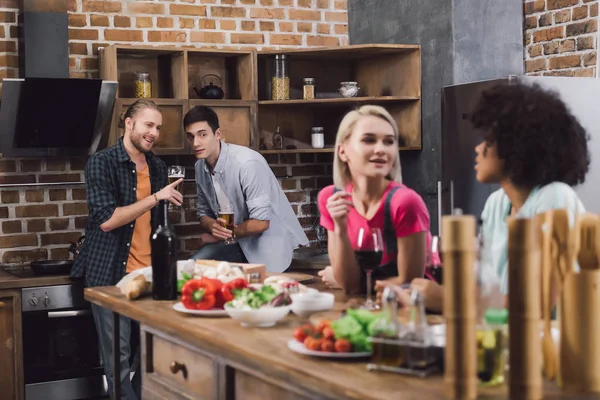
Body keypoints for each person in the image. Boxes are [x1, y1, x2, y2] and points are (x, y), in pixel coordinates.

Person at [378, 82, 589, 313]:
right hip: (504, 340)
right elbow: (491, 293)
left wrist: (448, 300)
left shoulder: (556, 199)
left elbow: (536, 304)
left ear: (515, 146)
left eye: (487, 140)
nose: (478, 149)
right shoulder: (497, 204)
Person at [70, 99, 183, 400]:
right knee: (117, 358)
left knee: (151, 354)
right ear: (129, 123)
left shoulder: (157, 166)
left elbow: (158, 224)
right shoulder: (102, 162)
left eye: (158, 127)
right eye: (148, 125)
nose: (154, 133)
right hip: (109, 272)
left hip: (150, 275)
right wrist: (155, 197)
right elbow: (107, 221)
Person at [316, 105, 431, 294]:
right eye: (369, 140)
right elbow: (350, 287)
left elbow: (410, 285)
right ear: (343, 151)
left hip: (410, 312)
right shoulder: (330, 198)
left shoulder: (405, 202)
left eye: (389, 142)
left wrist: (343, 279)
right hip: (364, 308)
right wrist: (340, 228)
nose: (381, 149)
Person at [184, 105, 308, 272]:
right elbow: (203, 213)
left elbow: (261, 223)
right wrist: (214, 227)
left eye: (202, 134)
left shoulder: (248, 163)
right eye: (190, 137)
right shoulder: (200, 167)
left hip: (266, 248)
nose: (196, 143)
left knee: (197, 270)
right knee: (191, 270)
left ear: (218, 134)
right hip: (234, 242)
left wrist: (221, 235)